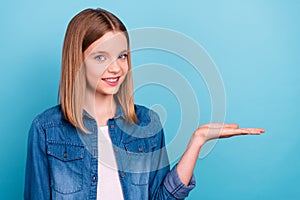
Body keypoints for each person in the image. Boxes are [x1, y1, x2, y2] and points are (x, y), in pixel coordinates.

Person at [24, 8, 265, 200]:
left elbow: (161, 197)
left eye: (122, 55)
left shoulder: (147, 123)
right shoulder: (46, 129)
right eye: (100, 57)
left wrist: (197, 140)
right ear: (78, 62)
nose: (116, 68)